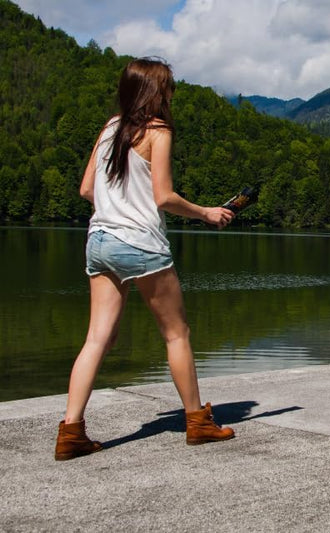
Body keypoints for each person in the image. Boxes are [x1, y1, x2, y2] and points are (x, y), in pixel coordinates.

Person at [55, 57, 236, 461]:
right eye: (168, 87)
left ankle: (71, 432)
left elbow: (87, 188)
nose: (172, 93)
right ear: (155, 92)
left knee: (96, 338)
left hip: (99, 239)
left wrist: (115, 206)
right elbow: (164, 197)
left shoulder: (109, 128)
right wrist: (207, 212)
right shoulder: (158, 131)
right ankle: (197, 422)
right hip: (138, 243)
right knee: (177, 334)